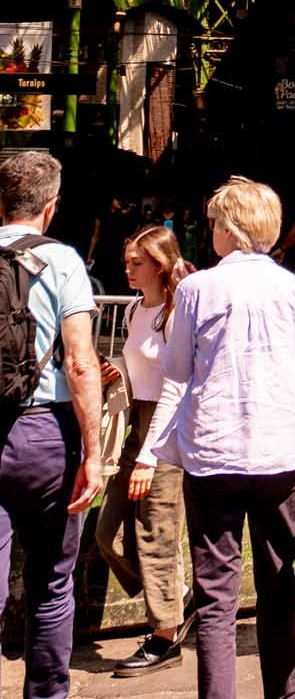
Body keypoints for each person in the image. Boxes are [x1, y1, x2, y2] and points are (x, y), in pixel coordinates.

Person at [131, 176, 295, 699]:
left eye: (216, 222)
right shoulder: (294, 289)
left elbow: (178, 377)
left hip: (213, 455)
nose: (211, 231)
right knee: (277, 584)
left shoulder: (199, 289)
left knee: (216, 596)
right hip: (280, 454)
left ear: (230, 228)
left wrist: (150, 451)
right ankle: (283, 694)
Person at [0, 149, 104, 699]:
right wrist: (94, 452)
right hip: (45, 434)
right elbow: (82, 360)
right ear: (50, 207)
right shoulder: (62, 261)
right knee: (51, 582)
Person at [97, 224, 191, 674]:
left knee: (156, 532)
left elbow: (175, 386)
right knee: (107, 531)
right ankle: (176, 598)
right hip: (136, 420)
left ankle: (164, 634)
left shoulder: (174, 313)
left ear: (159, 264)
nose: (128, 269)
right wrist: (116, 369)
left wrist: (151, 457)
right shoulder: (136, 310)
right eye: (127, 262)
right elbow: (141, 363)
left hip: (165, 428)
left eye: (137, 262)